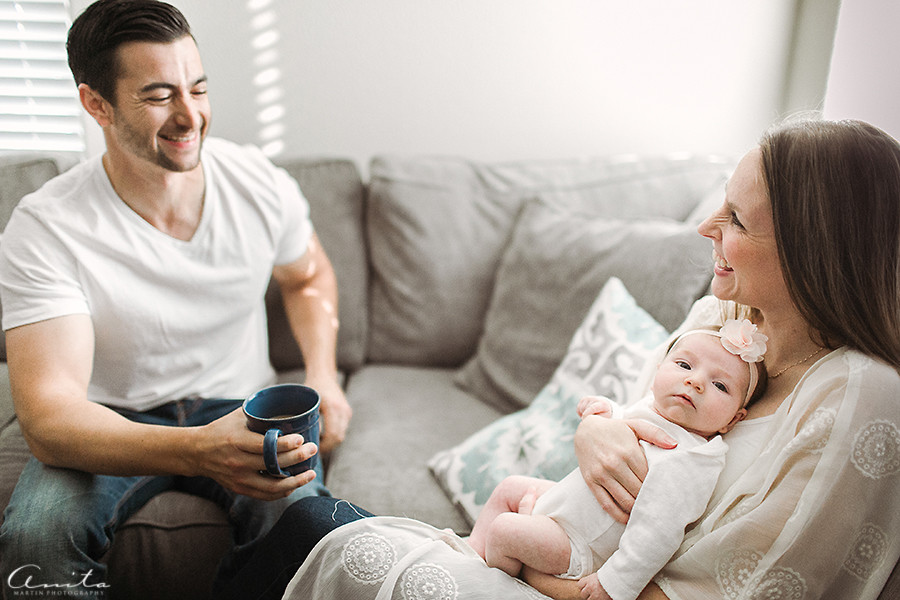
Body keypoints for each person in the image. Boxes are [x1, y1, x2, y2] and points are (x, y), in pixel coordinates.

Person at [228, 117, 900, 600]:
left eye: (737, 219)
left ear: (814, 252)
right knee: (311, 528)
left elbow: (750, 582)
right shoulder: (724, 319)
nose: (706, 228)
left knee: (318, 530)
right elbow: (646, 411)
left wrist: (533, 571)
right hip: (565, 553)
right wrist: (596, 427)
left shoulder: (860, 397)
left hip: (586, 585)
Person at [0, 0, 352, 595]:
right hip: (108, 418)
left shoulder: (259, 184)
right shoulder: (47, 226)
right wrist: (193, 450)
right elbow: (49, 417)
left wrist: (326, 375)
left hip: (240, 404)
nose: (190, 116)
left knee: (306, 527)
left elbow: (308, 277)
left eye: (199, 88)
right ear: (96, 104)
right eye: (159, 95)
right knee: (36, 534)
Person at [466, 320, 767, 600]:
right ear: (657, 373)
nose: (695, 381)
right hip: (564, 510)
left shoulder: (692, 459)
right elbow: (623, 416)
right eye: (685, 365)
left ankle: (498, 583)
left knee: (505, 530)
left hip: (577, 545)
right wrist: (603, 410)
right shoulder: (654, 410)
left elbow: (659, 532)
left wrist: (614, 583)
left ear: (733, 420)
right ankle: (469, 553)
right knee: (510, 487)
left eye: (720, 386)